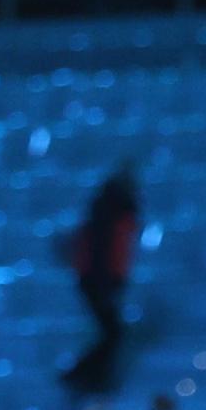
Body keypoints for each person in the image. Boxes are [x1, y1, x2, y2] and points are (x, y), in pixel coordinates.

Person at [60, 164, 141, 393]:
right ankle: (83, 376)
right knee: (113, 333)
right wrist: (106, 283)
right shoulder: (108, 215)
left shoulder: (111, 213)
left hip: (102, 279)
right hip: (98, 280)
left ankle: (89, 377)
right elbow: (103, 253)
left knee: (112, 332)